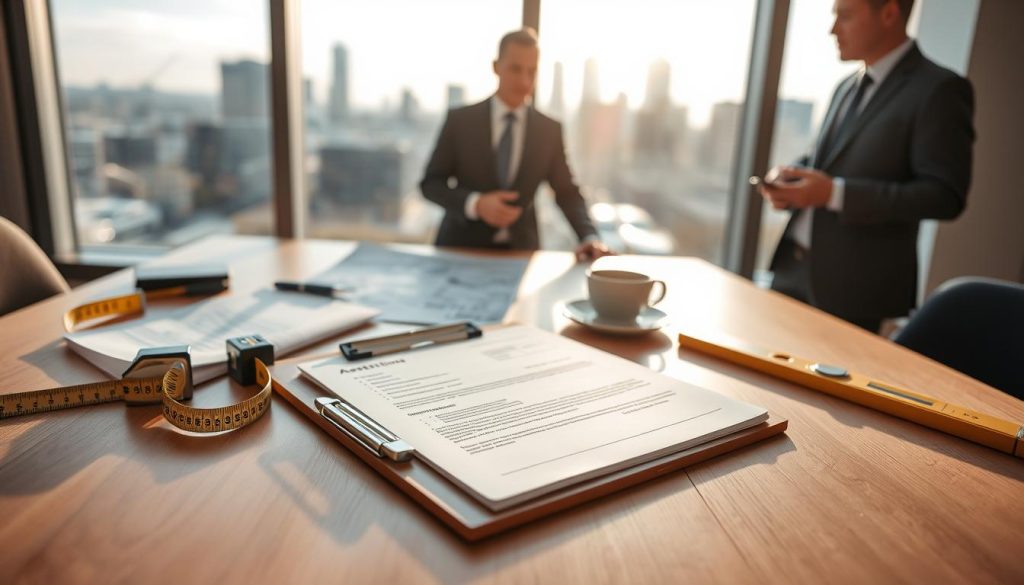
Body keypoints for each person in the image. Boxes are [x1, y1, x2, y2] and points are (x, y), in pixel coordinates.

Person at [759, 0, 974, 332]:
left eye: (844, 16)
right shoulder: (845, 86)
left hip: (854, 291)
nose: (833, 29)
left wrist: (834, 194)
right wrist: (789, 178)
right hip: (791, 270)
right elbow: (822, 159)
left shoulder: (940, 90)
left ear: (889, 13)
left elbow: (944, 195)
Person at [420, 28, 611, 261]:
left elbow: (566, 192)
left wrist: (589, 237)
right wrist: (476, 204)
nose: (524, 81)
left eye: (532, 71)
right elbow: (431, 183)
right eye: (515, 69)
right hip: (459, 250)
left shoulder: (549, 130)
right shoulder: (460, 121)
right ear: (495, 67)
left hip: (522, 253)